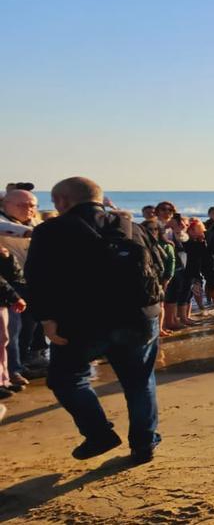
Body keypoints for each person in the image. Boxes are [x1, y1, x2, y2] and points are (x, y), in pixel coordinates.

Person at [24, 177, 165, 463]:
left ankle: (98, 433)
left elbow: (37, 278)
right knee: (139, 382)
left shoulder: (50, 230)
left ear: (63, 201)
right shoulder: (131, 226)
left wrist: (46, 319)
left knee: (66, 379)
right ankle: (144, 443)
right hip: (139, 317)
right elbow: (160, 266)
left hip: (81, 321)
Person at [0, 189, 41, 381]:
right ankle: (12, 370)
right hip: (8, 284)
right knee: (11, 330)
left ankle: (22, 363)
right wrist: (33, 232)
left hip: (32, 281)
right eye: (22, 205)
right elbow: (8, 228)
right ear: (5, 205)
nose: (29, 209)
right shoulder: (3, 221)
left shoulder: (36, 222)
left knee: (29, 328)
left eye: (32, 205)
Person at [0, 246, 27, 398]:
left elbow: (13, 275)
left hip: (3, 300)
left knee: (3, 341)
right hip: (4, 297)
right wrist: (14, 297)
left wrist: (6, 257)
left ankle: (4, 380)